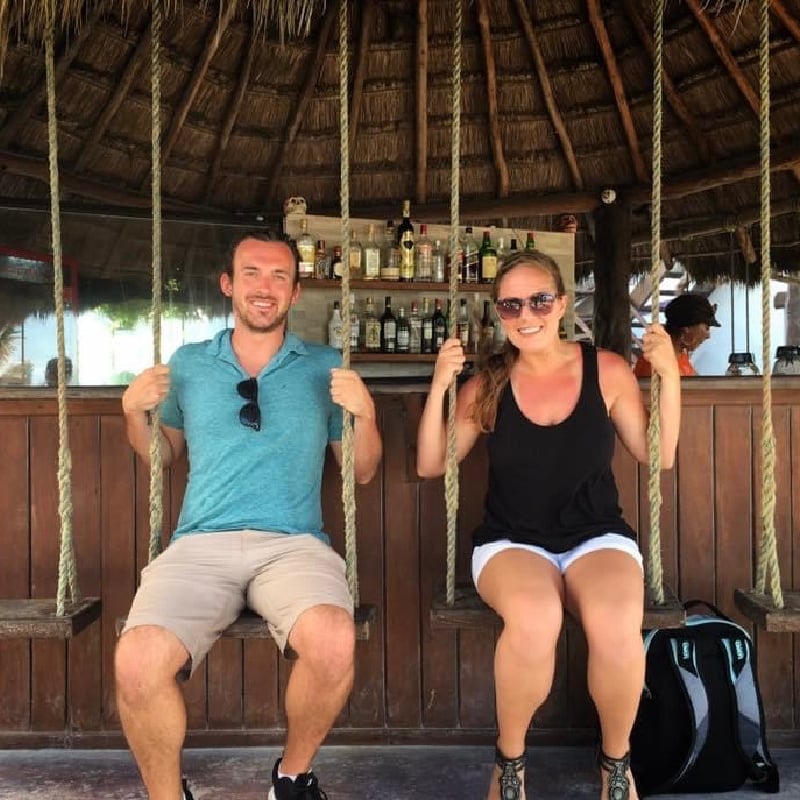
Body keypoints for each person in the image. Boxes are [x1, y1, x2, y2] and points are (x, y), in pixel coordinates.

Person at [116, 231, 382, 800]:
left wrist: (367, 415)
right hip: (199, 545)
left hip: (294, 544)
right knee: (136, 660)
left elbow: (360, 471)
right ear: (228, 285)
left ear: (295, 290)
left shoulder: (324, 366)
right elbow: (162, 455)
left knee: (335, 640)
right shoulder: (188, 364)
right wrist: (132, 414)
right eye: (253, 274)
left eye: (279, 276)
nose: (265, 288)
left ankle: (291, 778)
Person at [416, 251, 680, 800]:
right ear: (499, 313)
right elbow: (430, 463)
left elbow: (659, 455)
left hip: (596, 534)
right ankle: (509, 765)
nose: (526, 314)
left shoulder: (605, 370)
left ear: (561, 303)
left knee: (616, 621)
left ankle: (615, 763)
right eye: (511, 304)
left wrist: (670, 374)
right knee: (534, 618)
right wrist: (442, 384)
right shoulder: (487, 384)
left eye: (539, 299)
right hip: (511, 540)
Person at [633, 293, 720, 377]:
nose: (708, 335)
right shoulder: (658, 363)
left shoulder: (679, 356)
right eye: (707, 327)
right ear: (686, 330)